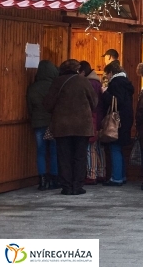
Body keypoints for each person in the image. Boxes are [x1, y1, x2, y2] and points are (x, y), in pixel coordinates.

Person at [43, 59, 98, 195]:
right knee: (80, 156)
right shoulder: (84, 81)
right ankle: (77, 186)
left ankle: (66, 187)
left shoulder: (57, 82)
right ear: (77, 69)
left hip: (62, 126)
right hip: (82, 126)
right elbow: (94, 102)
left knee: (64, 157)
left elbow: (48, 105)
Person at [27, 60, 60, 190]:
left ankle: (42, 180)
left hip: (38, 123)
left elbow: (30, 108)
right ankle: (54, 179)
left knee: (40, 151)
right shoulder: (55, 86)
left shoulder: (32, 88)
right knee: (54, 151)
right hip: (53, 123)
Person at [100, 60, 134, 186]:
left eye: (107, 74)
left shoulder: (115, 83)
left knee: (115, 148)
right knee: (119, 148)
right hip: (125, 119)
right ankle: (122, 175)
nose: (107, 77)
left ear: (111, 72)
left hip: (116, 121)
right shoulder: (125, 82)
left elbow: (116, 101)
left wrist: (104, 93)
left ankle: (116, 177)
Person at [79, 61, 106, 185]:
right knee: (99, 147)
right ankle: (101, 172)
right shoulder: (97, 82)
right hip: (99, 118)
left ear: (83, 72)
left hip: (92, 118)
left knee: (90, 148)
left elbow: (89, 103)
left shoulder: (88, 84)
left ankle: (92, 174)